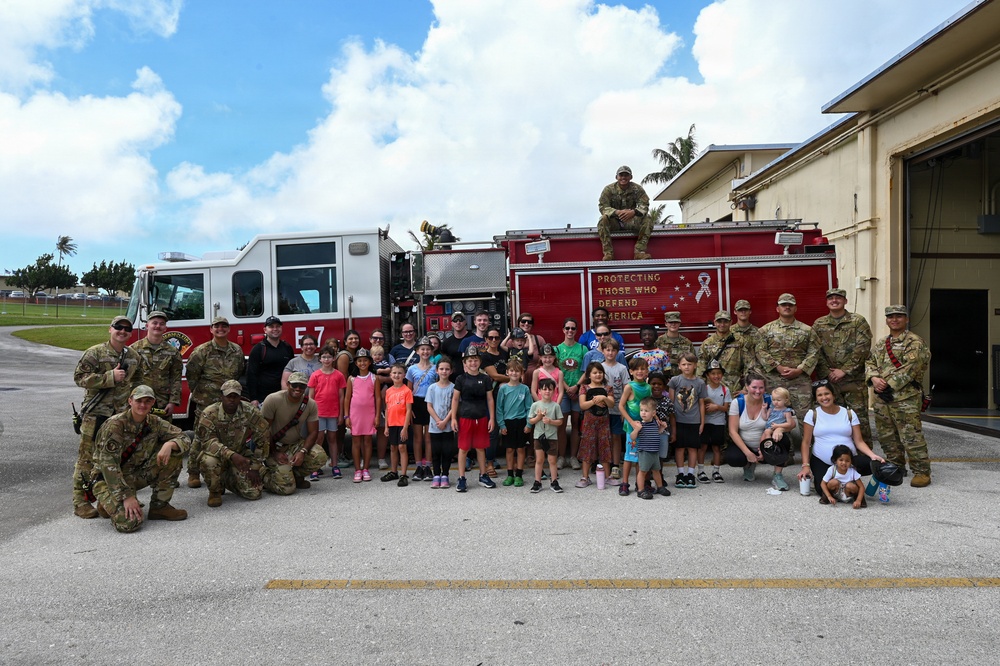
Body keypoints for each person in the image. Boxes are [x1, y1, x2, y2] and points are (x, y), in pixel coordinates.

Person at [90, 385, 191, 532]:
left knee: (175, 453)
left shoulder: (154, 422)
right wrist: (126, 497)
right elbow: (108, 465)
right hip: (107, 479)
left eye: (147, 401)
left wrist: (170, 444)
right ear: (130, 401)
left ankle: (159, 507)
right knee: (129, 523)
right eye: (139, 401)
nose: (143, 405)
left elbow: (184, 437)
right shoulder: (115, 425)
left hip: (134, 475)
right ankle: (107, 502)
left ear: (153, 403)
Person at [72, 315, 144, 518]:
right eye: (118, 327)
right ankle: (80, 502)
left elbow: (138, 381)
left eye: (127, 329)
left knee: (118, 457)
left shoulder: (134, 357)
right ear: (110, 329)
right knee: (87, 459)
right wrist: (108, 378)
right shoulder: (95, 353)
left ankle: (110, 499)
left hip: (120, 416)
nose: (122, 331)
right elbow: (79, 378)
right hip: (96, 415)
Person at [865, 305, 932, 487]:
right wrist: (873, 378)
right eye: (891, 317)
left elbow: (912, 367)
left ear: (906, 319)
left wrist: (887, 383)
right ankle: (896, 466)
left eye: (899, 316)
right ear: (886, 320)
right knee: (887, 435)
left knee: (910, 435)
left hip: (906, 398)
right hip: (882, 398)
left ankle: (921, 471)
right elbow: (870, 362)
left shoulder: (914, 342)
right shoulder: (881, 343)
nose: (894, 319)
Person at [185, 316, 246, 489]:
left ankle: (222, 469)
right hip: (206, 403)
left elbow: (239, 372)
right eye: (217, 326)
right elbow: (192, 376)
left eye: (224, 326)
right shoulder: (202, 351)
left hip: (228, 403)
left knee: (226, 436)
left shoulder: (236, 350)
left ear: (229, 329)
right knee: (200, 436)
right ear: (211, 329)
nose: (220, 329)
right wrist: (202, 394)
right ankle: (193, 472)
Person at [795, 380, 884, 498]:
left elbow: (859, 441)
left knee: (878, 465)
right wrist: (805, 466)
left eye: (827, 393)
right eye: (820, 395)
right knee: (822, 491)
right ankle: (843, 482)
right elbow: (806, 443)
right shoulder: (812, 414)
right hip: (823, 461)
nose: (824, 398)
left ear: (833, 395)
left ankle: (847, 480)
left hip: (848, 461)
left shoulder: (849, 413)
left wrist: (872, 455)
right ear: (816, 399)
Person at [813, 288, 874, 444]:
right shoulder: (819, 324)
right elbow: (815, 351)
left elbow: (863, 347)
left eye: (838, 298)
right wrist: (827, 372)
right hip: (829, 383)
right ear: (827, 302)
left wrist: (844, 370)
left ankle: (864, 458)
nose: (834, 300)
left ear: (845, 301)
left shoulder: (857, 321)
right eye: (831, 298)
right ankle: (837, 453)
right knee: (834, 420)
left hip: (854, 381)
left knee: (859, 419)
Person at [197, 379, 272, 507]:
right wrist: (231, 455)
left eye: (235, 396)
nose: (232, 400)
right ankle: (215, 491)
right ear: (221, 397)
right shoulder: (209, 413)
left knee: (254, 493)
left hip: (241, 454)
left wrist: (255, 466)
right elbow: (208, 442)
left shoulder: (250, 411)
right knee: (208, 461)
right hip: (217, 455)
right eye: (228, 396)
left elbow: (263, 437)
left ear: (240, 397)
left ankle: (226, 479)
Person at [755, 293, 821, 436]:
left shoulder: (807, 330)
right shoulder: (765, 330)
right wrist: (777, 367)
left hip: (800, 381)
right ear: (777, 308)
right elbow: (760, 351)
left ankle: (810, 455)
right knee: (775, 418)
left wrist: (800, 370)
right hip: (774, 381)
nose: (787, 307)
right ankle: (783, 455)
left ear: (795, 308)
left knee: (807, 418)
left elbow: (814, 352)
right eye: (783, 304)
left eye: (790, 305)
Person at [260, 372, 325, 494]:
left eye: (302, 386)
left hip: (294, 444)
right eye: (294, 385)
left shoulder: (310, 404)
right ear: (288, 384)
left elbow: (313, 432)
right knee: (287, 489)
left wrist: (302, 452)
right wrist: (274, 452)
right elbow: (263, 430)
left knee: (320, 456)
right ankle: (263, 474)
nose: (298, 389)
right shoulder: (273, 399)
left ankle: (295, 476)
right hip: (272, 446)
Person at [450, 346, 496, 492]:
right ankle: (462, 478)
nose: (473, 363)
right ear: (465, 362)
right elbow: (455, 399)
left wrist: (492, 418)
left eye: (475, 360)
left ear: (479, 361)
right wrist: (453, 418)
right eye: (470, 360)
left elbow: (490, 400)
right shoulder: (460, 379)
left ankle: (483, 475)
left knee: (481, 448)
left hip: (481, 417)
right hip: (465, 417)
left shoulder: (485, 378)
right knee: (463, 449)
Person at [726, 373, 783, 486]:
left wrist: (779, 429)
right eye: (754, 387)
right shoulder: (737, 403)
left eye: (761, 387)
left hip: (765, 444)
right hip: (745, 444)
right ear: (747, 387)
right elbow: (732, 431)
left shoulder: (771, 401)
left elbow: (788, 421)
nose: (758, 391)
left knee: (784, 439)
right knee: (733, 457)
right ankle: (748, 465)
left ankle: (778, 475)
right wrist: (748, 453)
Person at [130, 310, 182, 416]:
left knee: (161, 432)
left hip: (162, 403)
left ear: (165, 328)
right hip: (139, 403)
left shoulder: (172, 352)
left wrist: (172, 402)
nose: (158, 326)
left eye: (161, 324)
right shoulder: (134, 349)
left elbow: (176, 379)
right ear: (147, 326)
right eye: (154, 323)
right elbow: (126, 378)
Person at [307, 347, 347, 480]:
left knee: (332, 439)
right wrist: (310, 414)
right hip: (318, 412)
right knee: (318, 439)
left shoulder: (339, 375)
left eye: (329, 357)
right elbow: (311, 397)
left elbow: (341, 396)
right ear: (320, 359)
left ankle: (335, 465)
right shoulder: (315, 375)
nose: (326, 359)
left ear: (334, 358)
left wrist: (341, 414)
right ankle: (316, 467)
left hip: (333, 412)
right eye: (324, 357)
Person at [597, 165, 652, 261]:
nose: (623, 178)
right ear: (616, 177)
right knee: (603, 219)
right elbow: (603, 206)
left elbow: (645, 205)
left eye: (626, 175)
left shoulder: (637, 189)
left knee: (648, 219)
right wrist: (617, 212)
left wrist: (633, 212)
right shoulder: (608, 190)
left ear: (630, 177)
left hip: (631, 221)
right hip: (615, 222)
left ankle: (639, 252)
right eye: (621, 175)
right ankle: (608, 253)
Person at [668, 352, 706, 489]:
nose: (687, 367)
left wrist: (702, 421)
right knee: (679, 447)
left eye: (689, 364)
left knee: (692, 447)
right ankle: (680, 474)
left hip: (694, 420)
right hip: (678, 420)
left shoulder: (700, 382)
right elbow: (671, 402)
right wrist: (671, 421)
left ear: (695, 365)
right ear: (679, 366)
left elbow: (701, 403)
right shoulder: (675, 381)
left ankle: (690, 474)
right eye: (683, 364)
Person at [618, 357, 653, 497]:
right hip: (632, 427)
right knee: (629, 455)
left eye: (643, 369)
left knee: (642, 456)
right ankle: (624, 483)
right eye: (636, 369)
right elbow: (621, 406)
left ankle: (641, 483)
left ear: (647, 371)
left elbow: (650, 406)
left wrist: (655, 420)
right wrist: (631, 423)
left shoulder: (648, 387)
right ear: (631, 371)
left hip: (645, 426)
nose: (640, 371)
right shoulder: (629, 387)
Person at [577, 362, 614, 488]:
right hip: (589, 423)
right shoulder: (584, 388)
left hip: (604, 423)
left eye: (600, 372)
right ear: (589, 375)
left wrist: (603, 398)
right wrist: (594, 401)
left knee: (605, 447)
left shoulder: (608, 388)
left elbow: (611, 404)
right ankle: (585, 477)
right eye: (594, 373)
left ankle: (608, 476)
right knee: (587, 448)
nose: (598, 375)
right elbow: (582, 405)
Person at [479, 326, 511, 477]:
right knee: (493, 431)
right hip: (493, 397)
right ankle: (489, 463)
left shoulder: (505, 353)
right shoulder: (484, 357)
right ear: (485, 340)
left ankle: (512, 463)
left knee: (510, 428)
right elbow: (496, 376)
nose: (493, 340)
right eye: (490, 338)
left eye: (496, 338)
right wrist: (514, 378)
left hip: (509, 397)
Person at [495, 358, 532, 487]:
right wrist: (502, 424)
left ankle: (519, 475)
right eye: (512, 371)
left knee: (521, 449)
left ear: (521, 373)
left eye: (517, 371)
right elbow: (499, 408)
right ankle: (510, 474)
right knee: (509, 449)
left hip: (521, 422)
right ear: (507, 372)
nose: (514, 374)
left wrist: (529, 424)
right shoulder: (503, 389)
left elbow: (529, 408)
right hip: (508, 422)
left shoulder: (525, 389)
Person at [406, 337, 438, 482]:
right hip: (417, 402)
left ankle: (428, 466)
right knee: (418, 437)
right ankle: (419, 466)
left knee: (429, 437)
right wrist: (409, 407)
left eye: (427, 349)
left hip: (430, 403)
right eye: (422, 349)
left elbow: (438, 386)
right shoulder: (412, 369)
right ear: (417, 351)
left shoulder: (435, 368)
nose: (425, 351)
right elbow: (408, 390)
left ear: (431, 351)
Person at [344, 348, 379, 482]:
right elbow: (347, 398)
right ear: (356, 363)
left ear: (370, 362)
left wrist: (377, 416)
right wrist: (346, 416)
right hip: (355, 414)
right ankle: (357, 469)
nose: (362, 363)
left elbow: (377, 398)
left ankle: (366, 468)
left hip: (369, 413)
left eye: (365, 360)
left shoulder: (374, 378)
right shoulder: (352, 379)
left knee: (368, 441)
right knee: (356, 441)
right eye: (360, 361)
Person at [555, 318, 586, 470]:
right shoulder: (557, 350)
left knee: (575, 425)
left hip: (579, 391)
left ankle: (573, 457)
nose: (570, 331)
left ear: (576, 330)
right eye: (567, 328)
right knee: (561, 425)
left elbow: (587, 370)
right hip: (563, 391)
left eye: (573, 328)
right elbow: (556, 371)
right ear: (563, 330)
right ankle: (561, 457)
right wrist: (567, 387)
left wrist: (577, 386)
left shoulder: (582, 349)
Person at [246, 316, 295, 405]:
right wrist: (253, 398)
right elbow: (251, 375)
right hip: (264, 398)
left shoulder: (287, 347)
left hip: (284, 396)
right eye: (271, 327)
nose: (275, 329)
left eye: (278, 326)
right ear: (265, 330)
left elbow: (293, 372)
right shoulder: (258, 349)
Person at [529, 378, 565, 493]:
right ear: (539, 391)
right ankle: (537, 481)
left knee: (552, 460)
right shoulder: (535, 405)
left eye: (550, 389)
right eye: (544, 389)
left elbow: (560, 421)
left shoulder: (556, 406)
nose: (547, 392)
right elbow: (531, 421)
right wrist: (538, 417)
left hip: (552, 437)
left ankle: (554, 481)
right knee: (539, 460)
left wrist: (550, 421)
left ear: (554, 391)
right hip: (539, 436)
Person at [425, 357, 456, 488]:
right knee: (436, 451)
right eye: (441, 369)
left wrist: (445, 421)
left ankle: (445, 475)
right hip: (435, 426)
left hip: (448, 425)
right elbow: (429, 406)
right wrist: (438, 421)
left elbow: (454, 407)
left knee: (447, 451)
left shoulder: (454, 387)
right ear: (437, 370)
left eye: (447, 369)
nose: (444, 371)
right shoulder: (432, 388)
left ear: (451, 371)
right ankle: (436, 474)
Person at [699, 360, 731, 484]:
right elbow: (700, 406)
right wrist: (707, 409)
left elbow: (726, 408)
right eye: (713, 373)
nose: (716, 376)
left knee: (717, 447)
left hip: (719, 422)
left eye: (719, 373)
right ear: (707, 375)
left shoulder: (725, 390)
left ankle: (716, 471)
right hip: (705, 422)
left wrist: (716, 407)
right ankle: (701, 471)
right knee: (703, 447)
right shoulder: (704, 389)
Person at [382, 364, 414, 487]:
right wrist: (386, 426)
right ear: (390, 375)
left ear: (404, 375)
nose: (397, 375)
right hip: (392, 423)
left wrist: (405, 428)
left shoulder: (406, 391)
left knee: (402, 447)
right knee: (393, 447)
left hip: (402, 424)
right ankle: (394, 471)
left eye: (400, 373)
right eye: (394, 373)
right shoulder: (389, 391)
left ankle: (404, 474)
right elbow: (387, 410)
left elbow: (408, 410)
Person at [697, 311, 743, 396]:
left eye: (725, 321)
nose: (722, 324)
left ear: (731, 322)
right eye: (719, 321)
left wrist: (747, 388)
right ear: (715, 322)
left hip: (734, 390)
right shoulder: (707, 343)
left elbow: (750, 365)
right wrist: (701, 390)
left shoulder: (740, 341)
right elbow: (701, 368)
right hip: (712, 390)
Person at [634, 398, 671, 499]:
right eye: (641, 410)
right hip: (645, 452)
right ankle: (641, 490)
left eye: (646, 411)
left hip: (655, 452)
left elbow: (657, 433)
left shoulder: (655, 423)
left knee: (656, 470)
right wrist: (636, 430)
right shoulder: (640, 424)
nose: (643, 413)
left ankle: (660, 487)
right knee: (643, 471)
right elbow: (633, 437)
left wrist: (662, 428)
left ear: (653, 413)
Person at [656, 312, 695, 378]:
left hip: (683, 379)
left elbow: (693, 362)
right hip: (663, 379)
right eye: (670, 322)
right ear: (666, 324)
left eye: (676, 322)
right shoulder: (658, 342)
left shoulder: (687, 342)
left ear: (679, 323)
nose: (673, 324)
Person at [731, 299, 760, 377]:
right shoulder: (728, 332)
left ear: (750, 311)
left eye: (745, 310)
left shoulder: (758, 332)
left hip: (753, 373)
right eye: (740, 310)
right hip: (733, 374)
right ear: (735, 312)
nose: (743, 312)